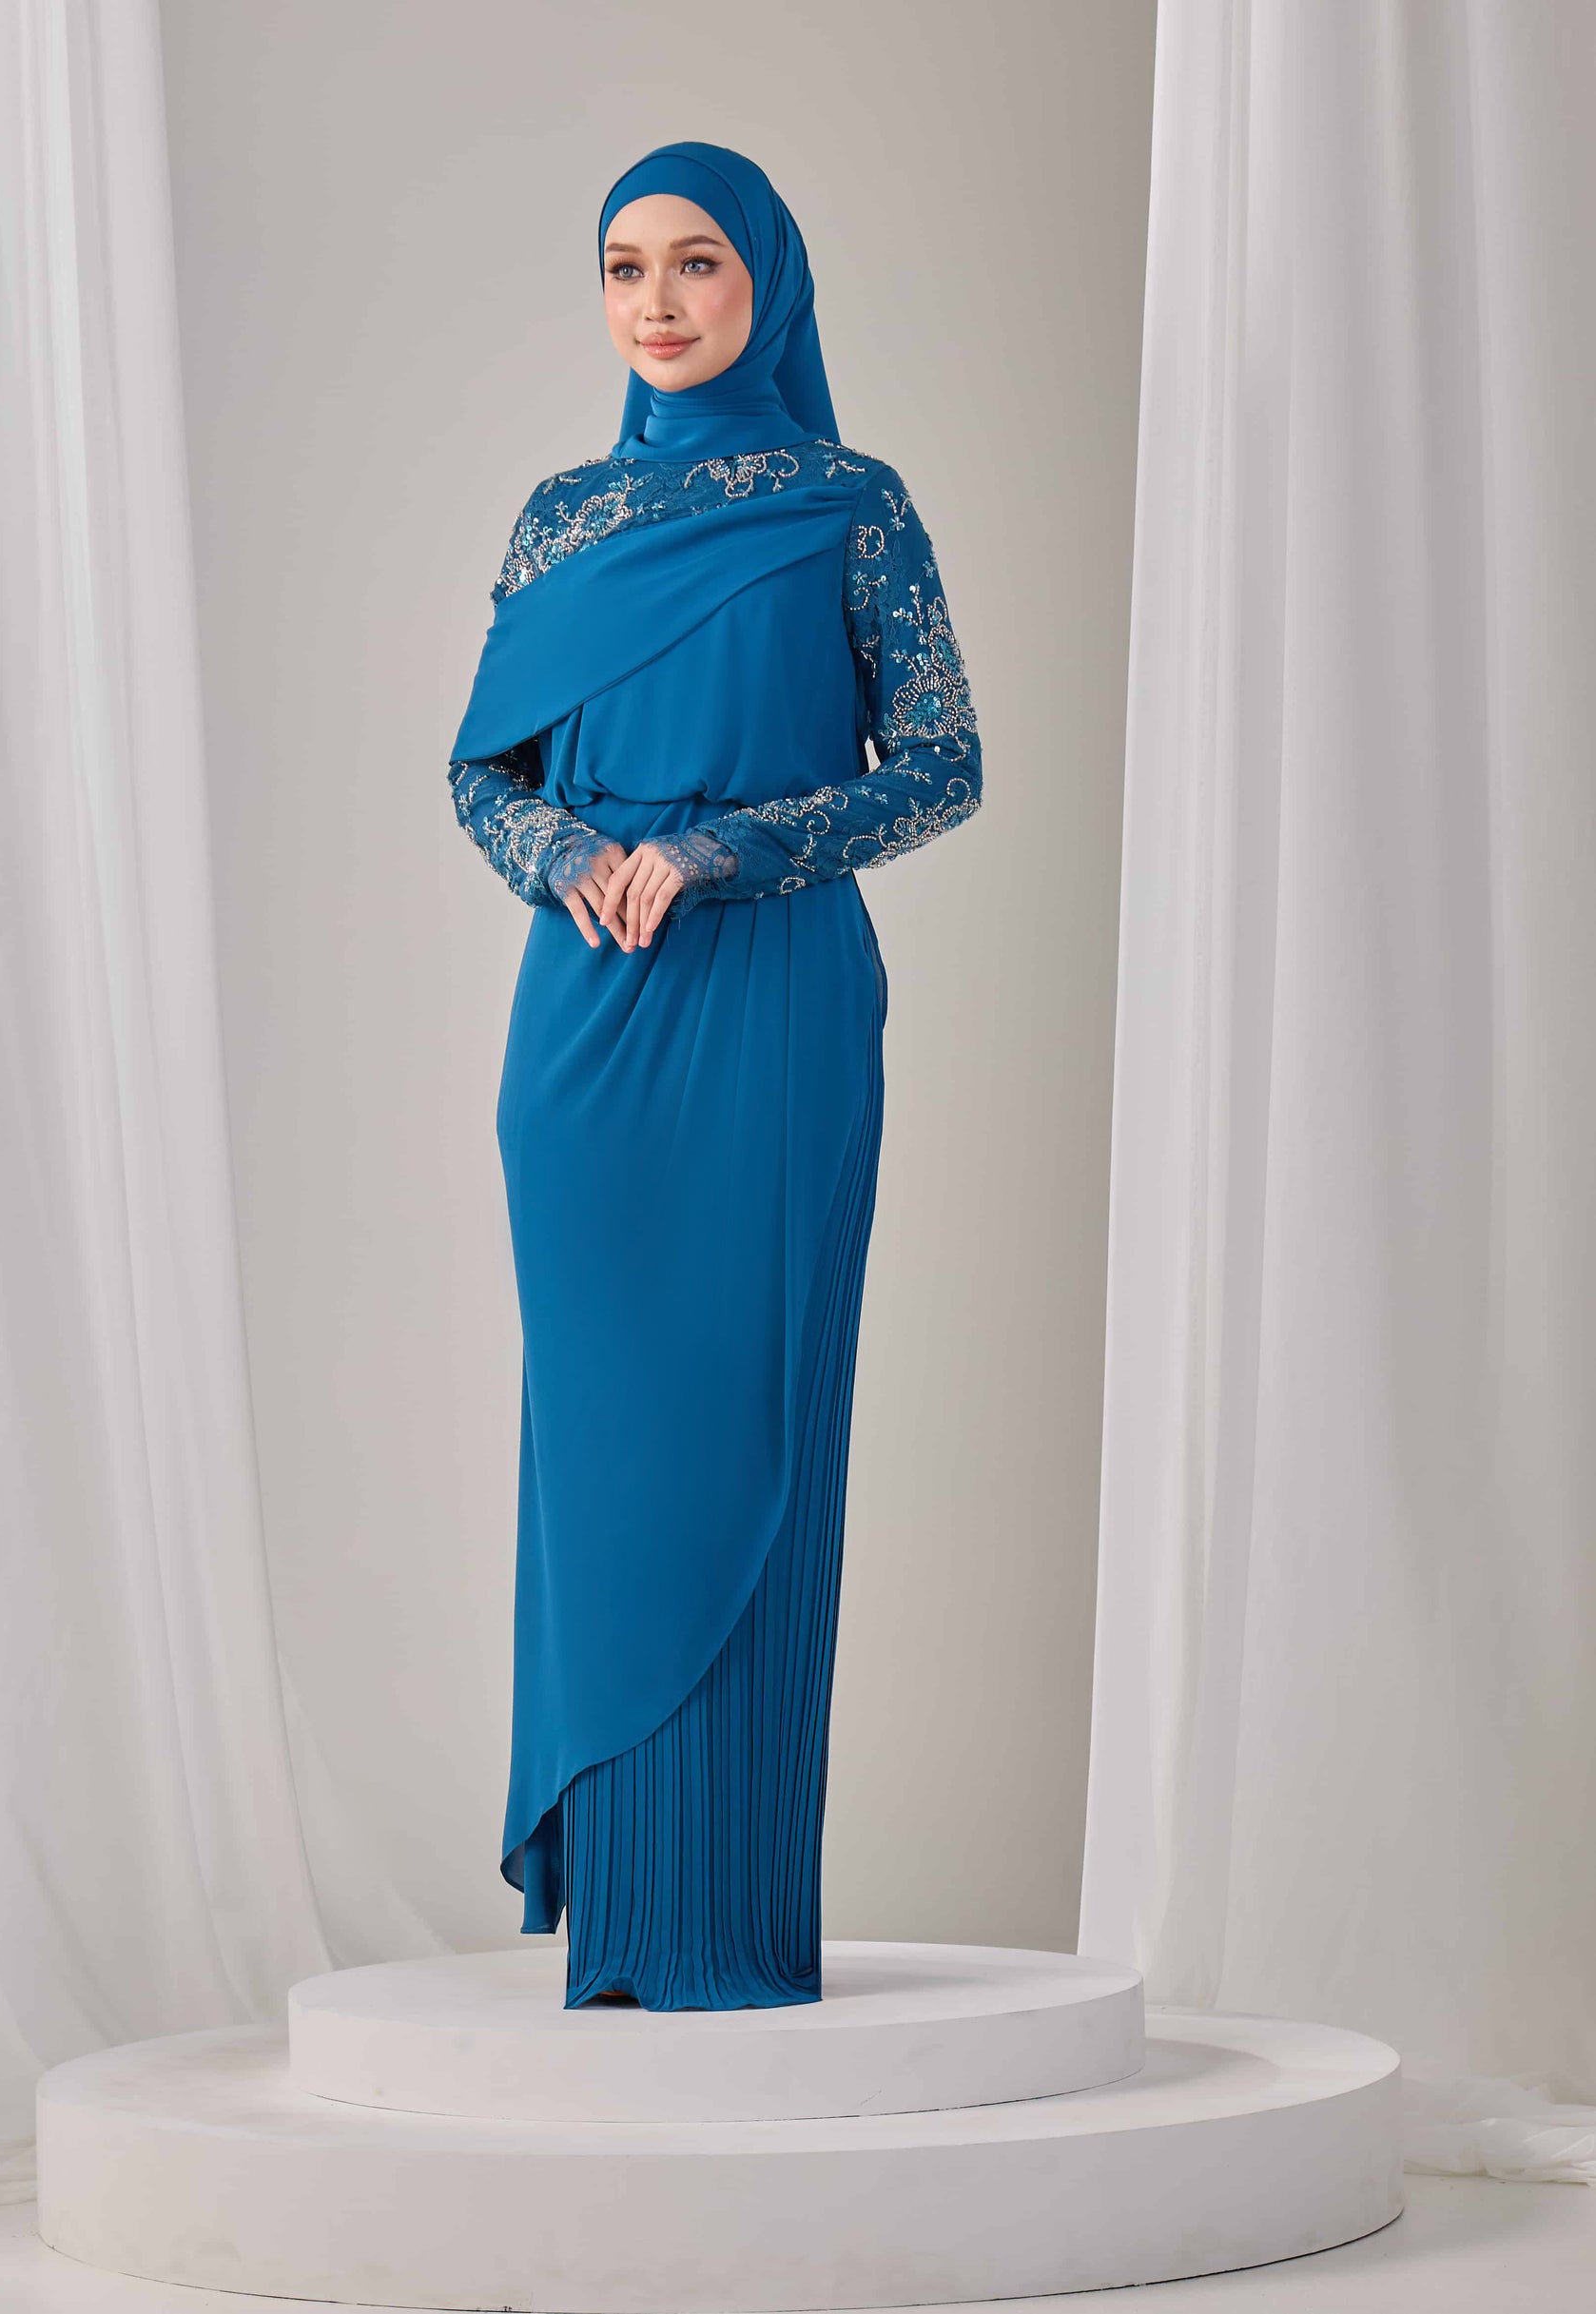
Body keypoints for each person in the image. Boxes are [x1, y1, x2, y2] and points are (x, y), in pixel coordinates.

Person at [447, 141, 982, 2011]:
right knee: (604, 1452)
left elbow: (942, 765)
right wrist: (564, 851)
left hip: (772, 1007)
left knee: (752, 1421)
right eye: (624, 268)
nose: (658, 302)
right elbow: (482, 771)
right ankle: (616, 1923)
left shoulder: (850, 505)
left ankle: (726, 1923)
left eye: (695, 263)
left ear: (768, 282)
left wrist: (719, 848)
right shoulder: (560, 517)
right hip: (586, 1025)